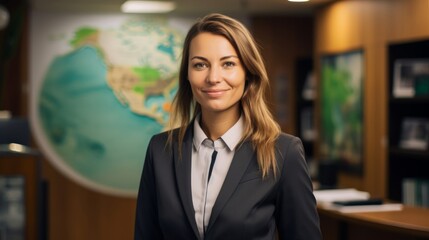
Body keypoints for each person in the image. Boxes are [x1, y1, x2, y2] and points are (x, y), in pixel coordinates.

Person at [134, 13, 322, 240]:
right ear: (188, 74)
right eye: (200, 64)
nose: (213, 77)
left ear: (248, 73)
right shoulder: (160, 150)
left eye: (228, 64)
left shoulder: (284, 152)